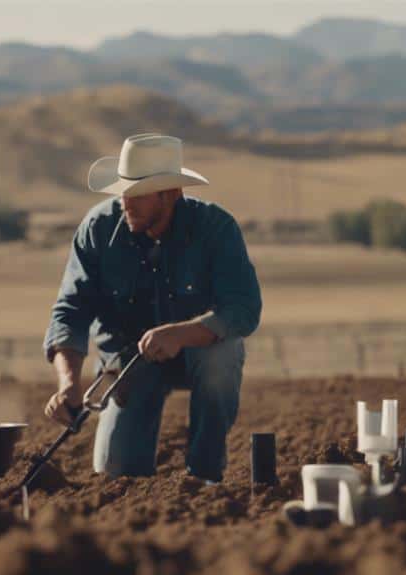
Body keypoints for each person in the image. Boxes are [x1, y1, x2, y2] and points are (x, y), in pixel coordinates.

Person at [42, 133, 262, 482]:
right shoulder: (98, 229)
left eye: (137, 194)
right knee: (114, 474)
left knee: (222, 357)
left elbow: (244, 309)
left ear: (171, 194)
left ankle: (205, 476)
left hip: (200, 352)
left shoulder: (216, 227)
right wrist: (68, 383)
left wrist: (181, 334)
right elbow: (71, 310)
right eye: (122, 192)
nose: (126, 203)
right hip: (129, 361)